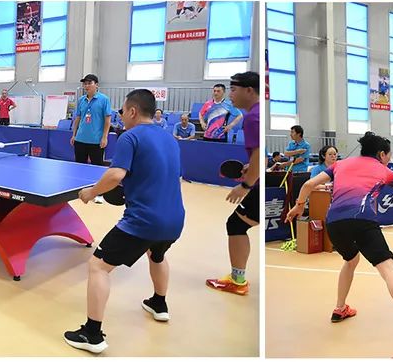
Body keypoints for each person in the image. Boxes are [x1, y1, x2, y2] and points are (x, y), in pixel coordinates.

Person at [284, 131, 393, 338]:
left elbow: (308, 184)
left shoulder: (340, 164)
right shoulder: (382, 169)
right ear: (381, 154)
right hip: (362, 220)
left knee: (351, 259)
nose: (390, 158)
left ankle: (340, 308)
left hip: (334, 223)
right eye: (389, 154)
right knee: (388, 268)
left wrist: (299, 206)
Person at [63, 89, 184, 354]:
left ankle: (92, 334)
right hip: (175, 219)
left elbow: (115, 175)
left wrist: (91, 193)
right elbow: (166, 176)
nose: (121, 117)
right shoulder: (169, 138)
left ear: (132, 111)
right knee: (157, 254)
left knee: (98, 266)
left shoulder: (130, 136)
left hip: (144, 221)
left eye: (122, 112)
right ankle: (159, 303)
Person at [206, 70, 261, 296]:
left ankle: (238, 282)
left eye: (234, 90)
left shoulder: (253, 117)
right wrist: (251, 167)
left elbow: (259, 155)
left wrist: (246, 185)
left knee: (236, 225)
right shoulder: (256, 113)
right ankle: (238, 279)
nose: (231, 95)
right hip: (258, 180)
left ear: (249, 90)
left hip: (257, 187)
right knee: (237, 224)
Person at [71, 74, 112, 166]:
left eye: (89, 83)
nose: (86, 86)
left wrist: (104, 137)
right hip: (80, 140)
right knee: (79, 167)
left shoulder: (104, 99)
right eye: (85, 84)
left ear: (96, 85)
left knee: (96, 168)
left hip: (96, 141)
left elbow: (107, 119)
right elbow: (78, 118)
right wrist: (74, 135)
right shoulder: (81, 100)